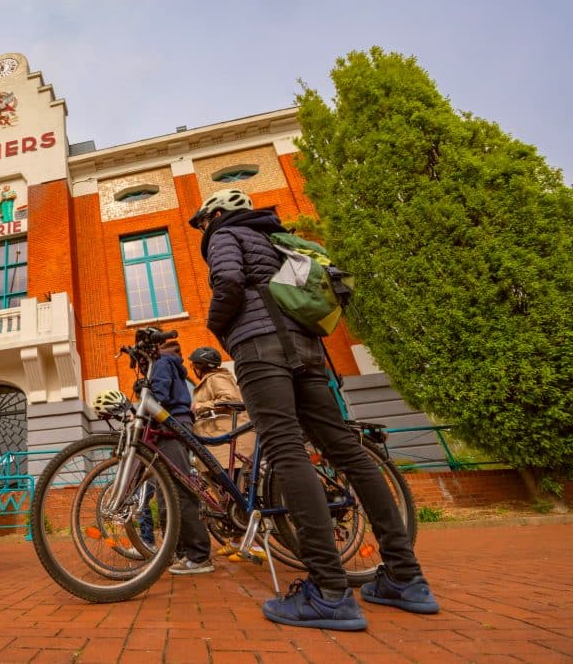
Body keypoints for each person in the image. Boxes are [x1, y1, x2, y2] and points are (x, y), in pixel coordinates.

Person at [189, 188, 439, 630]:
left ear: (218, 214)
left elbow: (227, 283)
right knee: (346, 450)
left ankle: (329, 592)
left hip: (261, 350)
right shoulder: (276, 238)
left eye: (205, 221)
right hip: (307, 351)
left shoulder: (226, 234)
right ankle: (406, 576)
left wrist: (217, 325)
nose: (205, 231)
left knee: (286, 450)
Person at [188, 346, 263, 564]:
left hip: (231, 443)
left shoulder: (215, 378)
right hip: (219, 444)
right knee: (228, 497)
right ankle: (237, 540)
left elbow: (231, 399)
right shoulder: (210, 380)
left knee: (237, 493)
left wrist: (201, 406)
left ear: (199, 366)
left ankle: (256, 545)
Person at [146, 337, 213, 575]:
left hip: (170, 424)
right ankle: (181, 552)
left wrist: (143, 401)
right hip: (170, 424)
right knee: (167, 493)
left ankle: (199, 554)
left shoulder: (162, 361)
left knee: (179, 489)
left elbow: (159, 395)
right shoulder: (166, 362)